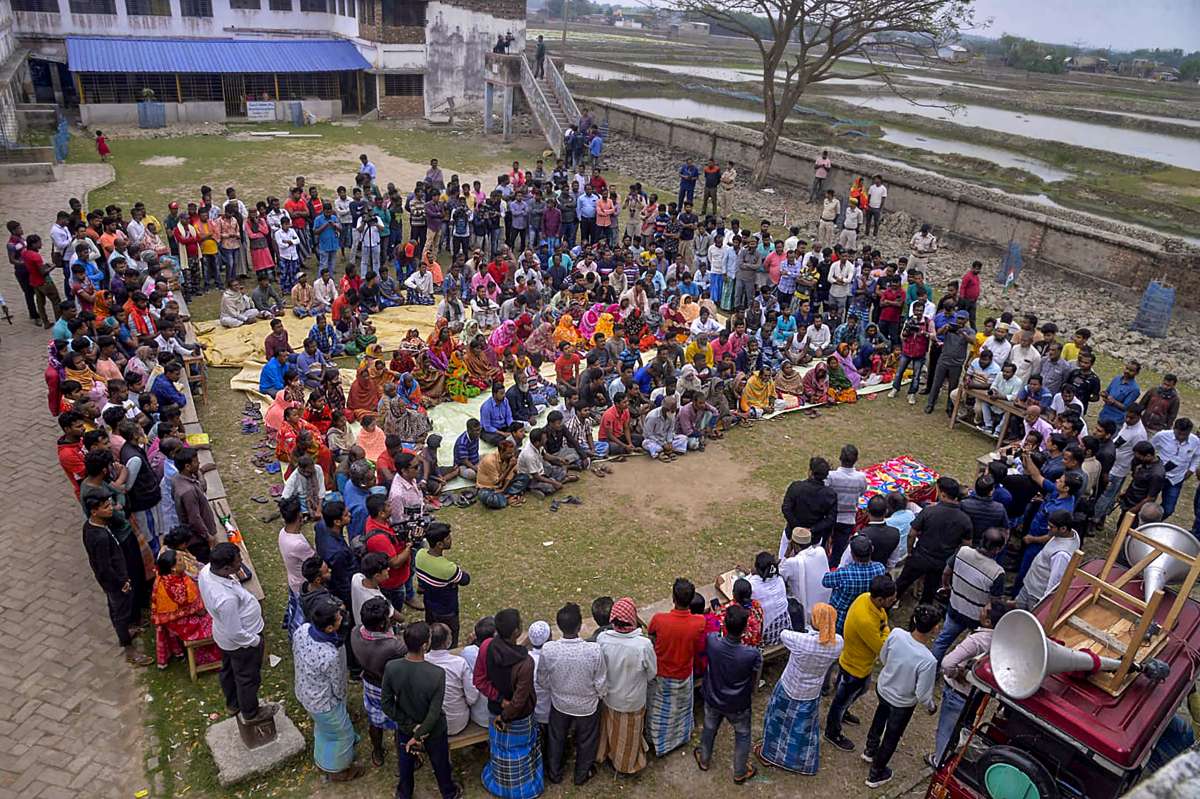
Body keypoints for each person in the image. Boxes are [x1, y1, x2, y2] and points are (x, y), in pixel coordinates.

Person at [755, 602, 842, 775]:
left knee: (777, 721)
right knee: (802, 729)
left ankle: (770, 753)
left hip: (790, 685)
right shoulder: (838, 643)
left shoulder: (800, 641)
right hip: (811, 692)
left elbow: (783, 633)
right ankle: (799, 761)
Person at [381, 622, 463, 799]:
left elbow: (386, 704)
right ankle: (449, 792)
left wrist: (411, 727)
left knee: (405, 763)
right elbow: (434, 713)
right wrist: (419, 733)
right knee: (440, 763)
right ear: (425, 645)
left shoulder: (392, 667)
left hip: (405, 726)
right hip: (433, 729)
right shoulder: (437, 673)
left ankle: (404, 793)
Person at [864, 604, 940, 789]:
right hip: (902, 703)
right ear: (934, 628)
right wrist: (931, 706)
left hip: (884, 689)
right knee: (892, 736)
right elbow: (922, 693)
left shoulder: (896, 633)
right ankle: (876, 773)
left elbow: (883, 656)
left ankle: (870, 749)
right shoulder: (928, 660)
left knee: (879, 717)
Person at [198, 543, 275, 723]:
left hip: (223, 635)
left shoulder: (207, 571)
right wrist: (255, 641)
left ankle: (233, 704)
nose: (241, 563)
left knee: (229, 670)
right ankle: (250, 712)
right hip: (242, 643)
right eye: (238, 562)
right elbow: (235, 632)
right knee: (247, 677)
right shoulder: (225, 599)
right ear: (226, 568)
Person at [293, 596, 363, 781]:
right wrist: (341, 699)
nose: (342, 617)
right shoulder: (330, 654)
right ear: (330, 628)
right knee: (342, 734)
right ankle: (338, 770)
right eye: (339, 617)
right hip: (324, 703)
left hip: (304, 691)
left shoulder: (302, 630)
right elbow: (338, 686)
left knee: (324, 729)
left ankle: (323, 757)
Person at [539, 602, 607, 786]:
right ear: (579, 626)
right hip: (587, 705)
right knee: (587, 739)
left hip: (560, 703)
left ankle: (554, 773)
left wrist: (558, 689)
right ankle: (581, 774)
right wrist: (600, 696)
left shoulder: (549, 650)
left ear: (559, 626)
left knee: (556, 737)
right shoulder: (593, 650)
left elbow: (542, 680)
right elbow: (600, 682)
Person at [824, 575, 895, 752]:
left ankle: (844, 712)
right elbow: (882, 646)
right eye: (891, 597)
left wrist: (883, 630)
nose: (894, 599)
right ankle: (832, 732)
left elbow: (884, 622)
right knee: (841, 700)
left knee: (859, 691)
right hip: (854, 667)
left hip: (859, 663)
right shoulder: (866, 620)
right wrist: (885, 631)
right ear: (880, 599)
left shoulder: (866, 599)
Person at [82, 495, 154, 666]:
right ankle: (129, 649)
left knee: (118, 609)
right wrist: (121, 582)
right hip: (115, 582)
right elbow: (104, 566)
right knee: (121, 613)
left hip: (114, 578)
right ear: (94, 512)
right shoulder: (99, 537)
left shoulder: (94, 526)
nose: (110, 509)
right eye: (106, 507)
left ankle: (127, 632)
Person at [479, 608, 543, 799]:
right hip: (516, 715)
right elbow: (520, 700)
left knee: (501, 750)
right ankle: (522, 788)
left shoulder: (487, 646)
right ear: (517, 631)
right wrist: (504, 714)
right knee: (522, 751)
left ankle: (501, 782)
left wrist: (498, 700)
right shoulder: (525, 663)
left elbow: (480, 681)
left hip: (496, 709)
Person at [694, 603, 761, 784]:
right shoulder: (751, 654)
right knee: (743, 734)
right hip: (738, 703)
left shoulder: (712, 642)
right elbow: (754, 678)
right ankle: (739, 771)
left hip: (713, 696)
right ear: (745, 628)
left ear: (724, 625)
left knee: (709, 727)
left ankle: (704, 759)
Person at [934, 601, 1007, 764]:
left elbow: (947, 663)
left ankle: (939, 762)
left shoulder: (977, 640)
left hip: (958, 693)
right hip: (976, 695)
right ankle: (952, 758)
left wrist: (957, 674)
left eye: (984, 610)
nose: (981, 611)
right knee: (960, 729)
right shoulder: (1003, 639)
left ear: (988, 621)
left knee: (946, 732)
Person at [595, 597, 656, 775]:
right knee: (628, 735)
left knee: (612, 728)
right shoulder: (643, 645)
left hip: (609, 697)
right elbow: (652, 673)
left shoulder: (602, 639)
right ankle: (626, 763)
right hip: (632, 700)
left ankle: (606, 752)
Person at [646, 578, 706, 757]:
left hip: (662, 674)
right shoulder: (699, 622)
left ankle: (656, 740)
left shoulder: (659, 620)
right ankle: (679, 737)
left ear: (673, 597)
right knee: (680, 710)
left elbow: (651, 634)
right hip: (684, 674)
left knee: (658, 710)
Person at [931, 527, 1006, 663]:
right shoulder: (997, 573)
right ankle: (957, 672)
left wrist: (946, 586)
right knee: (970, 649)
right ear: (997, 549)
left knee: (942, 642)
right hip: (977, 618)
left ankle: (931, 670)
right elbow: (994, 602)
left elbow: (946, 572)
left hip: (955, 607)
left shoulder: (963, 552)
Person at [894, 477, 972, 603]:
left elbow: (912, 534)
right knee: (929, 594)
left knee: (901, 584)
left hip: (920, 556)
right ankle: (922, 617)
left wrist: (909, 551)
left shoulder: (929, 511)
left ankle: (885, 608)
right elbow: (966, 546)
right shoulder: (965, 519)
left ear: (943, 494)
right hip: (941, 562)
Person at [350, 596, 406, 767]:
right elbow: (406, 648)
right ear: (383, 624)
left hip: (369, 682)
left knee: (375, 720)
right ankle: (403, 755)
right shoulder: (393, 647)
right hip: (390, 688)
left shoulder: (355, 632)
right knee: (400, 724)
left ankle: (377, 751)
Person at [415, 523, 470, 648]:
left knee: (432, 631)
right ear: (439, 544)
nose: (451, 540)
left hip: (429, 603)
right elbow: (465, 579)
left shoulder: (420, 555)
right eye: (448, 538)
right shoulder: (448, 568)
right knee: (450, 636)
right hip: (447, 609)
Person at [1014, 509, 1080, 610]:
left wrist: (1042, 605)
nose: (1048, 528)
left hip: (1036, 595)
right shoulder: (1070, 534)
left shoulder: (1062, 555)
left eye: (1051, 527)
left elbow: (1054, 583)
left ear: (1063, 528)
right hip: (1031, 585)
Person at [425, 621, 479, 736]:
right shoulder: (459, 663)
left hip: (431, 721)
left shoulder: (422, 661)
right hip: (457, 722)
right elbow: (472, 697)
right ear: (447, 642)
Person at [823, 535, 885, 633]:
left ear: (852, 554)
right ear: (872, 550)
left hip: (842, 616)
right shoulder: (880, 568)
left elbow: (825, 581)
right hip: (865, 613)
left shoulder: (844, 573)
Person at [779, 457, 838, 557]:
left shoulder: (796, 487)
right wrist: (812, 529)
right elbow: (830, 519)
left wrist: (797, 527)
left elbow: (786, 508)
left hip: (798, 534)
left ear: (810, 472)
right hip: (813, 538)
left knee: (782, 564)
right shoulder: (829, 494)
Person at [1151, 418, 1198, 520]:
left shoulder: (1195, 441)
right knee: (1148, 503)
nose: (1181, 437)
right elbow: (1149, 448)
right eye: (1179, 434)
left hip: (1176, 479)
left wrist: (1191, 469)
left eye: (1184, 435)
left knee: (1168, 509)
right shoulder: (1162, 436)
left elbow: (1197, 456)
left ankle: (1153, 524)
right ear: (1174, 429)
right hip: (1158, 476)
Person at [827, 444, 868, 563]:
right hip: (848, 519)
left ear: (840, 458)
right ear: (856, 460)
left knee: (823, 545)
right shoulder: (861, 478)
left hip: (831, 517)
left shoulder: (831, 476)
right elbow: (862, 492)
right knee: (838, 551)